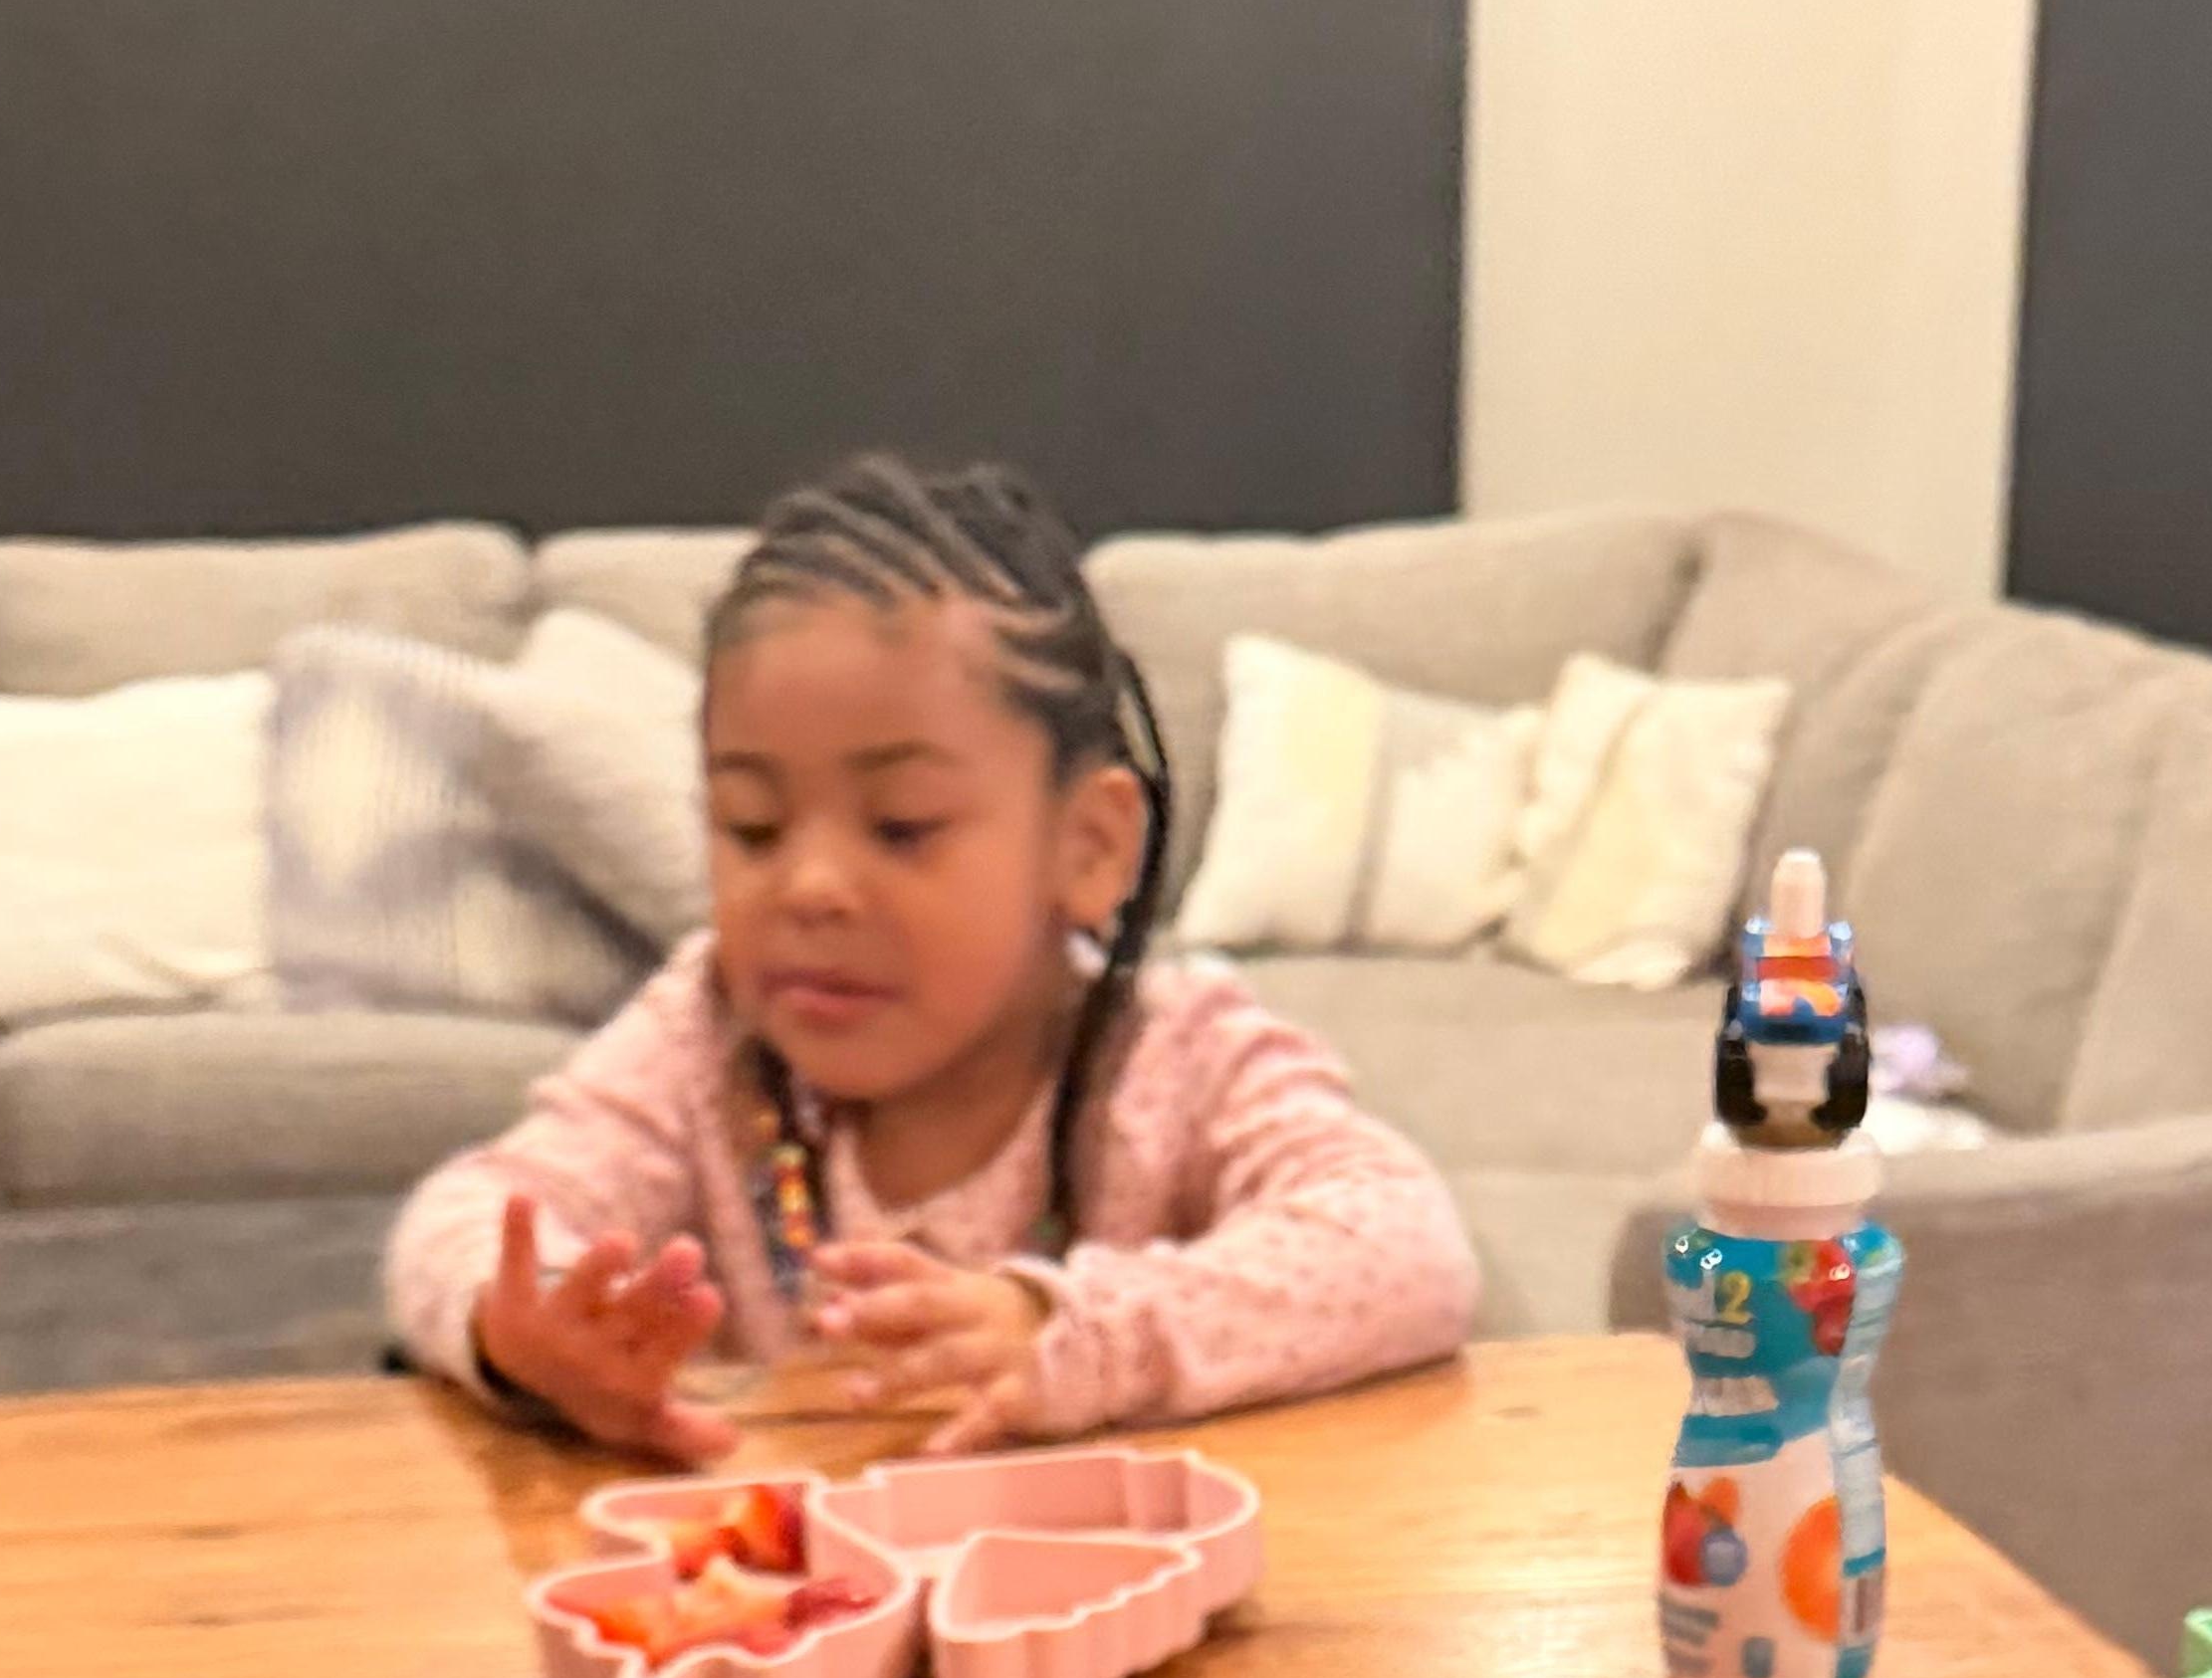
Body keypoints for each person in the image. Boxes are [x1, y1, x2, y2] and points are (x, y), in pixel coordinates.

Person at [384, 455, 1477, 1464]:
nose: (808, 886)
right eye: (752, 826)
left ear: (1087, 848)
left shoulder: (1175, 1058)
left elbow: (1403, 1247)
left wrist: (1076, 1336)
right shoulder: (702, 1038)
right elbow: (465, 1216)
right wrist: (528, 1329)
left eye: (902, 825)